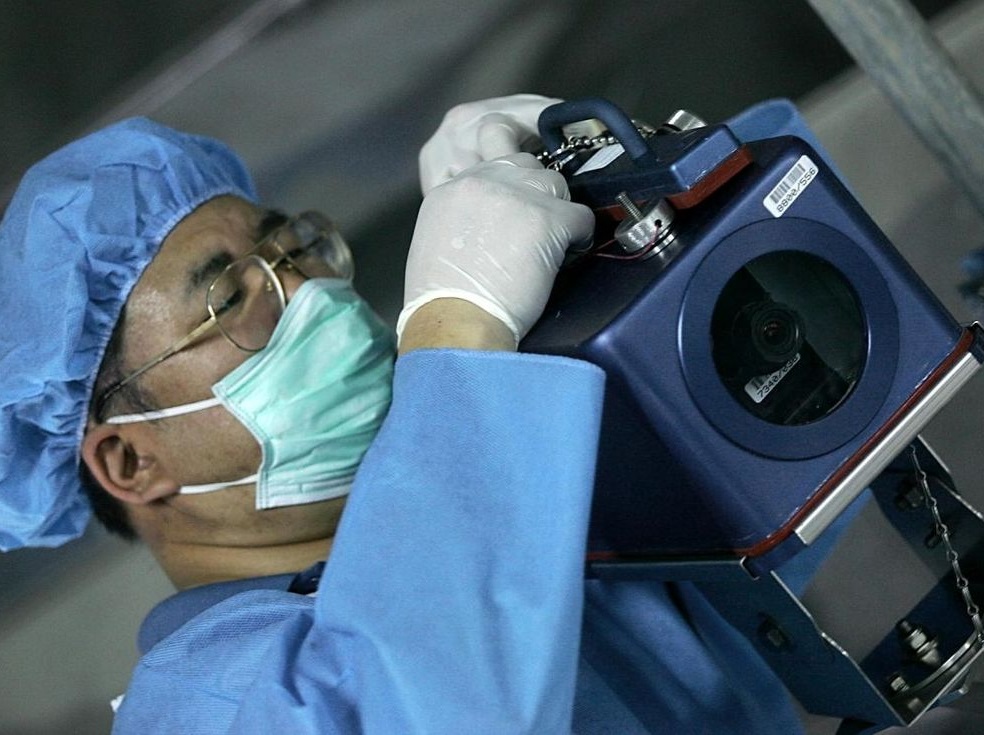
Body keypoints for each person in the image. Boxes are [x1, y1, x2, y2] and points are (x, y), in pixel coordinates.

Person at [0, 95, 817, 734]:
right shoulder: (197, 707)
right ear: (130, 461)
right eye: (230, 296)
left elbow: (811, 404)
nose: (309, 291)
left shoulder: (521, 495)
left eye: (289, 249)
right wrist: (456, 328)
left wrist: (620, 182)